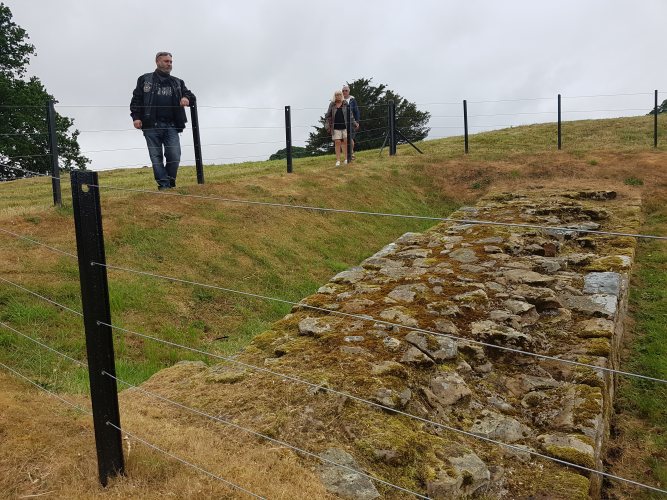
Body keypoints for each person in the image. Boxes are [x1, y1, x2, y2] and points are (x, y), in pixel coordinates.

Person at [130, 51, 196, 190]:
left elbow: (191, 95)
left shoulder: (177, 82)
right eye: (166, 61)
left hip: (172, 125)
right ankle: (164, 186)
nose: (169, 64)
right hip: (151, 125)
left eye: (171, 62)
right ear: (157, 62)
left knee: (174, 154)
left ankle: (170, 181)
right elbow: (136, 99)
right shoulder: (145, 79)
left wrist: (186, 98)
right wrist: (136, 117)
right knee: (156, 156)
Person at [324, 90, 357, 167]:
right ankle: (338, 160)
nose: (338, 96)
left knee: (345, 142)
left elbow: (350, 115)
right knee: (337, 143)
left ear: (341, 95)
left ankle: (346, 159)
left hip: (345, 127)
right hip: (335, 127)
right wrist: (327, 125)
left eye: (339, 95)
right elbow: (327, 115)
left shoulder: (345, 103)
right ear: (334, 96)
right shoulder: (332, 105)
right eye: (336, 95)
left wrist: (355, 123)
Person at [342, 85, 360, 159]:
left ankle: (351, 153)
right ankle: (347, 155)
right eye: (343, 91)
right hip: (342, 122)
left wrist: (357, 122)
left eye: (346, 90)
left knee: (351, 138)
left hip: (352, 122)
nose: (344, 92)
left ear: (349, 91)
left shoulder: (353, 100)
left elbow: (356, 111)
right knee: (343, 138)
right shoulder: (340, 100)